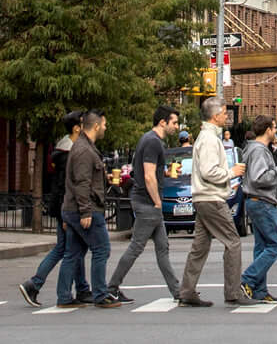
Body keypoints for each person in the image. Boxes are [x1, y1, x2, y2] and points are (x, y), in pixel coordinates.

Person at [102, 106, 180, 305]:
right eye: (174, 122)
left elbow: (147, 172)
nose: (177, 127)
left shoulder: (149, 140)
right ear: (163, 122)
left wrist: (163, 174)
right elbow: (147, 175)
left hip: (146, 202)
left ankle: (178, 291)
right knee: (137, 247)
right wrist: (157, 202)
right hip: (147, 203)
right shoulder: (153, 142)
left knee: (162, 248)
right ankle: (112, 288)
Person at [178, 97, 246, 307]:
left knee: (200, 246)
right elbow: (209, 171)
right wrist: (231, 172)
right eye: (225, 112)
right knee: (233, 242)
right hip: (211, 197)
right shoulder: (209, 139)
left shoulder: (206, 137)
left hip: (204, 197)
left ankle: (187, 291)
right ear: (216, 116)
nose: (227, 116)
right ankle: (233, 292)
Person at [21, 112, 90, 306]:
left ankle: (80, 288)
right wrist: (66, 216)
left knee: (69, 249)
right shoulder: (69, 153)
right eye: (84, 123)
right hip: (66, 208)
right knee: (69, 250)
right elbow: (66, 186)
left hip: (63, 207)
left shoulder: (66, 149)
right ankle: (36, 284)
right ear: (77, 128)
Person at [55, 111, 115, 308]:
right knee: (101, 249)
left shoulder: (84, 147)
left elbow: (80, 181)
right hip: (85, 209)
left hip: (74, 208)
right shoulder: (84, 150)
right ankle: (100, 295)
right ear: (96, 126)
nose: (106, 128)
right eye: (104, 124)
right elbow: (81, 183)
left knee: (72, 253)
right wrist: (86, 212)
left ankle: (64, 297)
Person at [238, 116, 277, 304]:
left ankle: (259, 290)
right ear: (267, 130)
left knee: (262, 247)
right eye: (274, 128)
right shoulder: (259, 151)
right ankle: (248, 279)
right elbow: (259, 178)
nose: (276, 132)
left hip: (255, 201)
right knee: (276, 245)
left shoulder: (252, 148)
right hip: (263, 201)